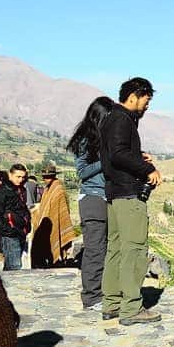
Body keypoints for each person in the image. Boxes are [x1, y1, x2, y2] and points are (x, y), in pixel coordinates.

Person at [101, 77, 162, 325]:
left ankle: (112, 304)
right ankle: (131, 308)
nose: (147, 106)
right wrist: (147, 170)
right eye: (147, 100)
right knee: (134, 250)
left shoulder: (111, 118)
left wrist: (137, 155)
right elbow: (118, 154)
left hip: (114, 194)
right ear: (134, 96)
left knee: (115, 249)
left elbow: (115, 153)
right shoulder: (122, 119)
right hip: (128, 195)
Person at [67, 96, 115, 310]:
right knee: (95, 249)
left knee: (105, 248)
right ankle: (92, 296)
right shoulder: (86, 139)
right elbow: (82, 172)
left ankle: (103, 291)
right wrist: (105, 161)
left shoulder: (104, 139)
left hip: (106, 198)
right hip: (93, 198)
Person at [29, 165, 76, 268]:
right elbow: (43, 208)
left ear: (54, 176)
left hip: (55, 221)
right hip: (47, 222)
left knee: (54, 236)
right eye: (45, 177)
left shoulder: (58, 189)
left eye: (49, 176)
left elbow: (61, 210)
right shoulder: (47, 189)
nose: (46, 179)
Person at [0, 165, 31, 271]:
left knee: (12, 266)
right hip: (10, 236)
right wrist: (9, 230)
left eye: (23, 177)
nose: (21, 180)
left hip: (20, 233)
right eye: (18, 176)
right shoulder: (0, 192)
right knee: (14, 267)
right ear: (10, 175)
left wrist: (27, 226)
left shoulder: (20, 190)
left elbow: (22, 210)